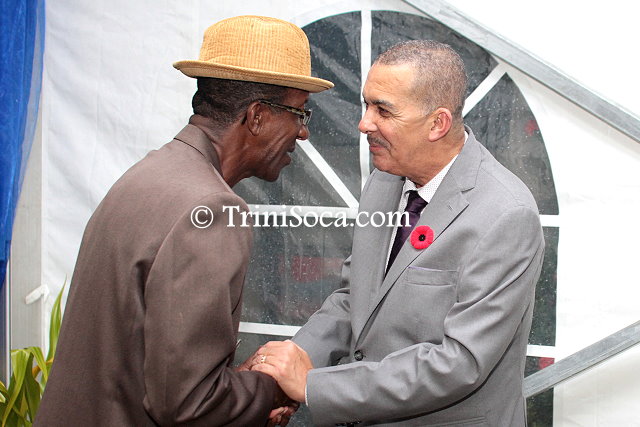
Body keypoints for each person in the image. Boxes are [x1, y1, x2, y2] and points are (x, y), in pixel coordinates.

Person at [35, 15, 333, 426]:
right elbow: (188, 403)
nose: (303, 133)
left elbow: (154, 366)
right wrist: (273, 387)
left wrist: (228, 384)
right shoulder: (213, 209)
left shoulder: (150, 173)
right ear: (258, 116)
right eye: (299, 113)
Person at [252, 40, 545, 426]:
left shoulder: (506, 214)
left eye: (383, 110)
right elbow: (355, 299)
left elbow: (459, 362)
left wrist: (313, 387)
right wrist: (293, 363)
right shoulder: (384, 180)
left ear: (437, 124)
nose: (364, 123)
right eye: (366, 105)